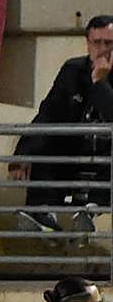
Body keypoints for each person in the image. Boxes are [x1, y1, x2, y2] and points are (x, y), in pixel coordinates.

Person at [10, 16, 113, 234]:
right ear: (87, 43)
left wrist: (100, 82)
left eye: (109, 43)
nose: (102, 49)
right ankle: (42, 212)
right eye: (96, 42)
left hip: (107, 156)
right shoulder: (73, 70)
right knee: (48, 145)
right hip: (75, 152)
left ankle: (89, 209)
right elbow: (49, 113)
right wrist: (23, 153)